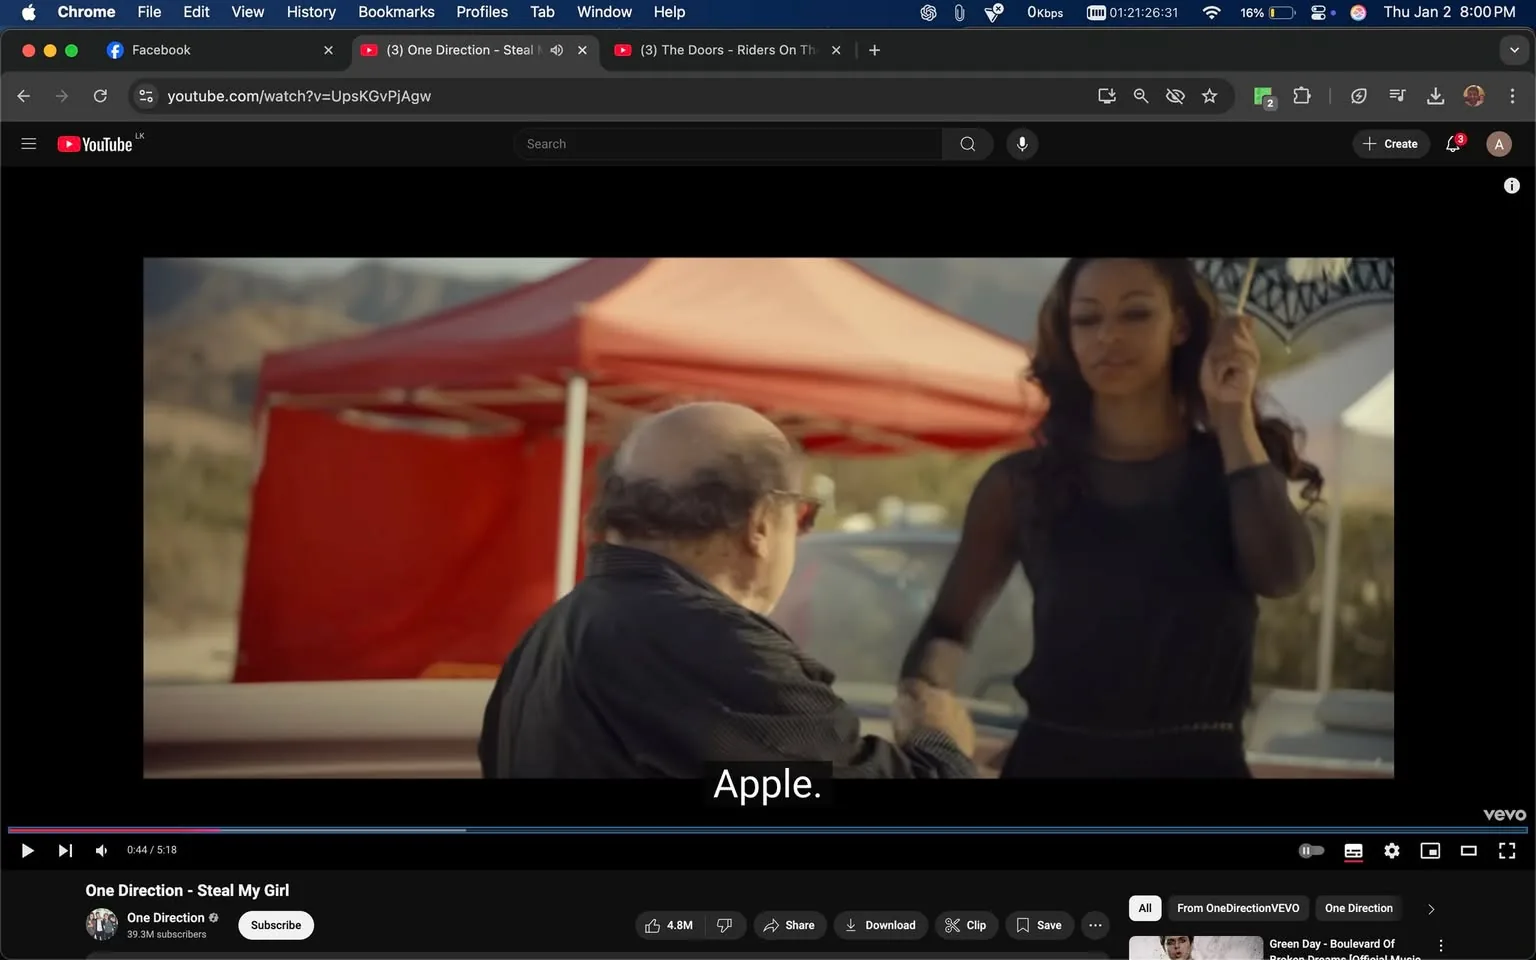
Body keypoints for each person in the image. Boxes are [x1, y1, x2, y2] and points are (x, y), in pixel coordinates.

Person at [901, 258, 1321, 778]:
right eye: (1087, 319)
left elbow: (1283, 576)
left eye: (1136, 314)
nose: (1107, 336)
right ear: (1068, 332)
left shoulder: (1235, 466)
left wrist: (1232, 416)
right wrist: (928, 706)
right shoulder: (1021, 485)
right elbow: (947, 627)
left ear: (1181, 326)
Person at [480, 401, 977, 778]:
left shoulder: (546, 638)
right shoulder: (716, 647)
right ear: (760, 523)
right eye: (802, 517)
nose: (799, 536)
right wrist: (941, 749)